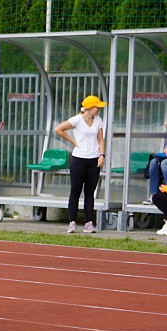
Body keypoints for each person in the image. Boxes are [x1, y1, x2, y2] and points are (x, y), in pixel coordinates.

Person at [54, 95, 106, 234]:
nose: (99, 110)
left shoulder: (98, 121)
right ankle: (72, 222)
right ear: (90, 108)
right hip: (78, 159)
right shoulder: (77, 119)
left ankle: (89, 222)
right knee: (75, 191)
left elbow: (100, 139)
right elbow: (58, 129)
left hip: (93, 159)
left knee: (90, 192)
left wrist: (102, 155)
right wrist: (72, 141)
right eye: (97, 107)